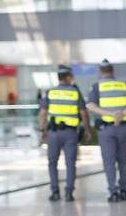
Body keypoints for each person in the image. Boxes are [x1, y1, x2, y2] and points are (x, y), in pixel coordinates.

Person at [38, 64, 91, 201]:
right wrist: (87, 129)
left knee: (52, 162)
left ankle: (55, 192)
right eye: (71, 76)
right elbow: (84, 114)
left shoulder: (50, 92)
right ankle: (69, 193)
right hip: (70, 133)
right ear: (68, 77)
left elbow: (43, 113)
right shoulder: (75, 92)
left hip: (53, 133)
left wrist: (42, 130)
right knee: (70, 163)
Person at [86, 59, 126, 202]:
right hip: (123, 127)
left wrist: (109, 114)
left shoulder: (97, 86)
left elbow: (90, 105)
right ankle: (124, 190)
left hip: (106, 129)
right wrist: (122, 113)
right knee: (122, 160)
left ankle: (113, 192)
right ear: (112, 70)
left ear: (101, 71)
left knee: (109, 161)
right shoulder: (124, 85)